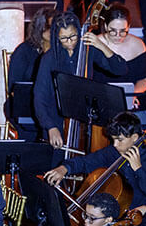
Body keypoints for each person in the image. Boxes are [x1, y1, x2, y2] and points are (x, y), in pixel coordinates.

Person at [34, 11, 128, 148]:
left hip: (85, 121)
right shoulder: (48, 59)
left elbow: (120, 69)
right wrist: (50, 127)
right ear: (56, 38)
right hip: (56, 120)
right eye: (64, 38)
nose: (70, 42)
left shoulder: (88, 49)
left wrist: (101, 45)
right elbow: (39, 96)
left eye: (73, 36)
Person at [44, 111, 146, 211]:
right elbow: (85, 162)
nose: (115, 144)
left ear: (135, 138)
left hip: (140, 223)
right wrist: (64, 168)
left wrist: (139, 170)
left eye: (119, 140)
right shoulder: (112, 152)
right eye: (113, 139)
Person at [6, 6, 56, 139]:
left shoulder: (59, 51)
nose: (56, 31)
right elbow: (13, 87)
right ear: (41, 28)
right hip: (26, 106)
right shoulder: (24, 51)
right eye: (52, 27)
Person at [95, 5, 146, 95]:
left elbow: (145, 80)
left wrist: (132, 94)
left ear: (128, 27)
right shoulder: (95, 44)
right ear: (106, 26)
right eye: (113, 31)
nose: (118, 36)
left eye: (122, 31)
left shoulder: (138, 45)